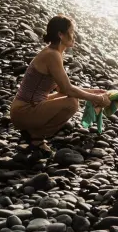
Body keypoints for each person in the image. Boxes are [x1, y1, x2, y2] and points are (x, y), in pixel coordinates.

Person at [9, 15, 111, 148]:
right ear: (61, 35)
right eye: (72, 32)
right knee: (71, 103)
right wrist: (96, 98)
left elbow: (62, 89)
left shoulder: (54, 53)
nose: (74, 36)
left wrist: (94, 92)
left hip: (29, 107)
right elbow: (68, 89)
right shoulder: (52, 55)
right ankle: (36, 135)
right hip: (23, 111)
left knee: (70, 97)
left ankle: (33, 133)